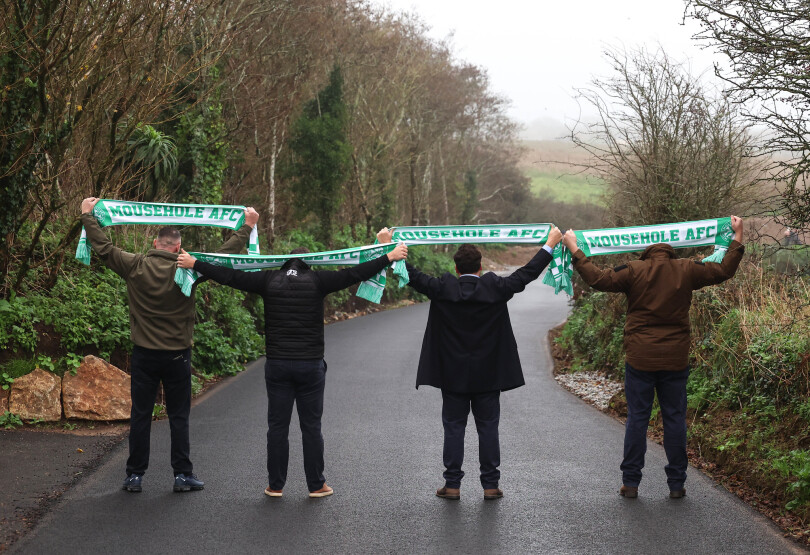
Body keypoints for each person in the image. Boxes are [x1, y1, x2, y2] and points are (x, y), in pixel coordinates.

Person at [177, 229, 408, 499]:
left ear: (284, 262)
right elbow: (354, 273)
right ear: (308, 263)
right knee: (311, 427)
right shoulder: (319, 280)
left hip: (278, 366)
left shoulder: (268, 279)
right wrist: (388, 256)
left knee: (277, 427)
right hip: (310, 366)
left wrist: (195, 264)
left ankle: (275, 485)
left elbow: (230, 276)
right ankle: (316, 485)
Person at [80, 197, 259, 493]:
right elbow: (223, 257)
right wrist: (246, 227)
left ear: (154, 242)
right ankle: (182, 475)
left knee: (140, 414)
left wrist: (88, 216)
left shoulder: (134, 265)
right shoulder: (188, 269)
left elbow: (104, 247)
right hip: (177, 356)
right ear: (178, 247)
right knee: (178, 416)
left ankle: (135, 476)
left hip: (144, 356)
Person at [562, 216, 745, 499]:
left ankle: (631, 483)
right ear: (672, 251)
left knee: (637, 418)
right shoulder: (686, 269)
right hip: (675, 359)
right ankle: (676, 484)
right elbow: (723, 271)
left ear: (646, 251)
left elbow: (598, 279)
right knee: (674, 419)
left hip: (640, 359)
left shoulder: (634, 270)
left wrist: (575, 249)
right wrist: (738, 236)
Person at [405, 227, 563, 500]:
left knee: (454, 427)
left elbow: (412, 276)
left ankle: (452, 485)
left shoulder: (442, 287)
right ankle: (491, 485)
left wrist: (390, 251)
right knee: (488, 427)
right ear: (480, 267)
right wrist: (550, 244)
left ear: (456, 268)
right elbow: (527, 273)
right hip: (488, 375)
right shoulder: (495, 287)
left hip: (452, 375)